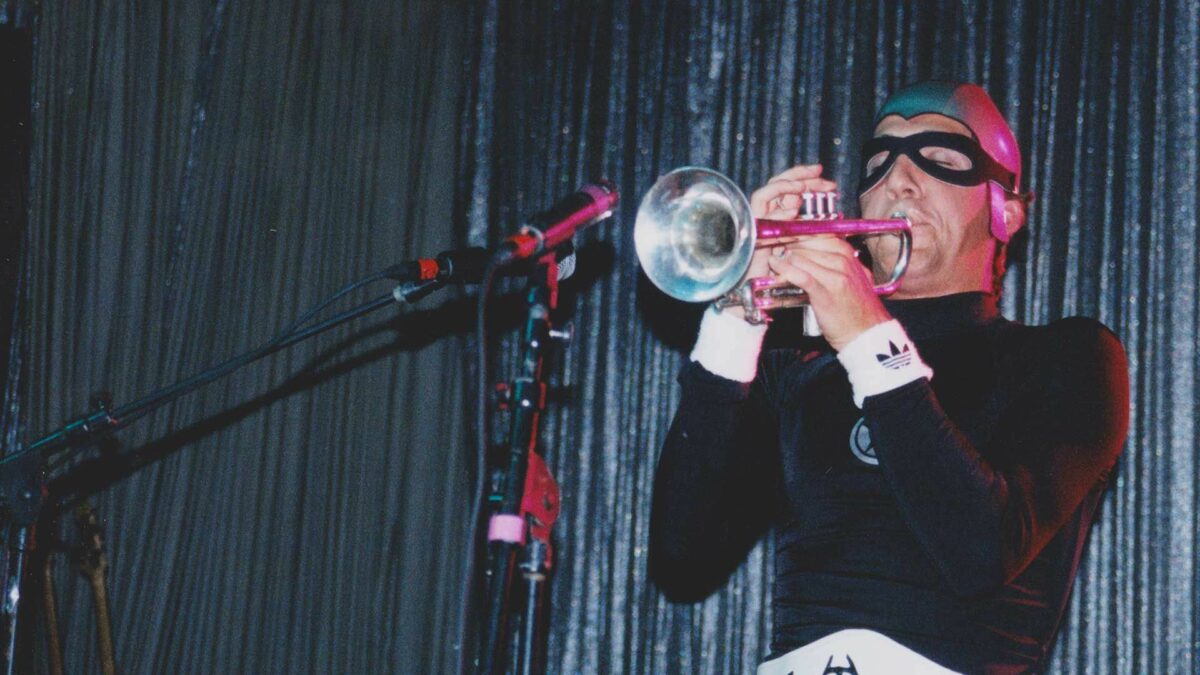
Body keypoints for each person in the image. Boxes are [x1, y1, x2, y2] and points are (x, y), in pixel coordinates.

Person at [648, 81, 1130, 674]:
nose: (899, 181)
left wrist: (868, 341)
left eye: (943, 158)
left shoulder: (1069, 357)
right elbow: (681, 555)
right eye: (878, 163)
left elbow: (982, 552)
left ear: (1006, 212)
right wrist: (736, 314)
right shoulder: (797, 370)